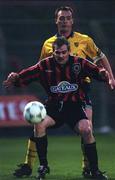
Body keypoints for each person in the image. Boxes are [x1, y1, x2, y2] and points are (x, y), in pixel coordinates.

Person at [12, 6, 115, 178]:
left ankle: (87, 168)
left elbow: (99, 57)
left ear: (72, 21)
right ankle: (28, 165)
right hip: (57, 93)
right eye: (61, 18)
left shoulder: (85, 40)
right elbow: (41, 69)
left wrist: (110, 77)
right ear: (56, 21)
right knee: (38, 124)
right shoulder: (48, 43)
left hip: (81, 90)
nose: (64, 21)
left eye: (67, 18)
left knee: (87, 129)